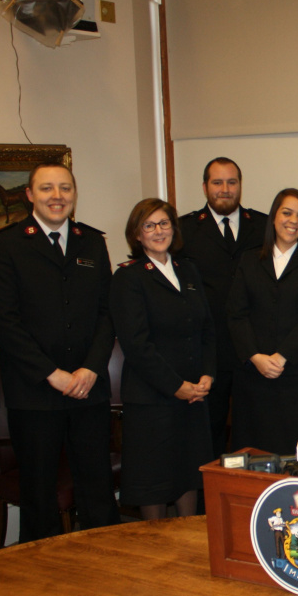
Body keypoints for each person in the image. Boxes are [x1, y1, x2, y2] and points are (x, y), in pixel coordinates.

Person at [0, 162, 120, 543]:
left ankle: (108, 561)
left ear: (74, 194)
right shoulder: (7, 245)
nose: (56, 196)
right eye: (47, 189)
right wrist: (53, 374)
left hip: (88, 388)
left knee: (96, 486)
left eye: (64, 188)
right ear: (30, 195)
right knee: (40, 493)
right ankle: (44, 575)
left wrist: (90, 369)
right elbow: (5, 323)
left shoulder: (91, 242)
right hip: (35, 391)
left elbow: (106, 313)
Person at [110, 199, 215, 519]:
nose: (159, 231)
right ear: (137, 234)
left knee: (188, 473)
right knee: (153, 481)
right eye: (149, 225)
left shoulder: (188, 269)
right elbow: (136, 345)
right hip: (152, 398)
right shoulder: (129, 277)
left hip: (194, 394)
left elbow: (207, 328)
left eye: (164, 223)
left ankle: (188, 543)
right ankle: (153, 552)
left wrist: (207, 375)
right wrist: (176, 386)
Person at [226, 188, 298, 455]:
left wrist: (282, 356)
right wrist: (256, 356)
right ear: (274, 217)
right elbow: (236, 313)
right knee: (257, 454)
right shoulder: (250, 259)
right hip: (256, 378)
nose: (293, 221)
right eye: (287, 213)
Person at [179, 158, 267, 458]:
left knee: (255, 434)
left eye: (232, 182)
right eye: (217, 182)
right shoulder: (183, 231)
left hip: (254, 352)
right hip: (208, 354)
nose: (225, 189)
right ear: (205, 187)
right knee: (208, 434)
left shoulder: (265, 227)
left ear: (240, 186)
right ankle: (209, 502)